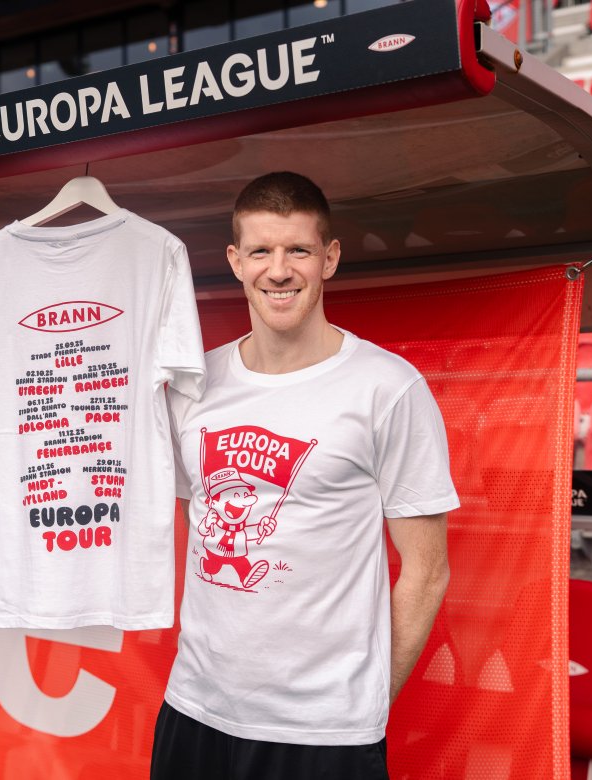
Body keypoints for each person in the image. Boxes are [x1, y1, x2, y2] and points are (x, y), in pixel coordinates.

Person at [153, 171, 459, 780]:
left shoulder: (388, 389)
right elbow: (201, 520)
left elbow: (427, 572)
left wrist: (367, 703)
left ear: (329, 258)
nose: (279, 270)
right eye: (261, 251)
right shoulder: (191, 388)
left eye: (298, 250)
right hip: (194, 708)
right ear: (235, 261)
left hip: (323, 734)